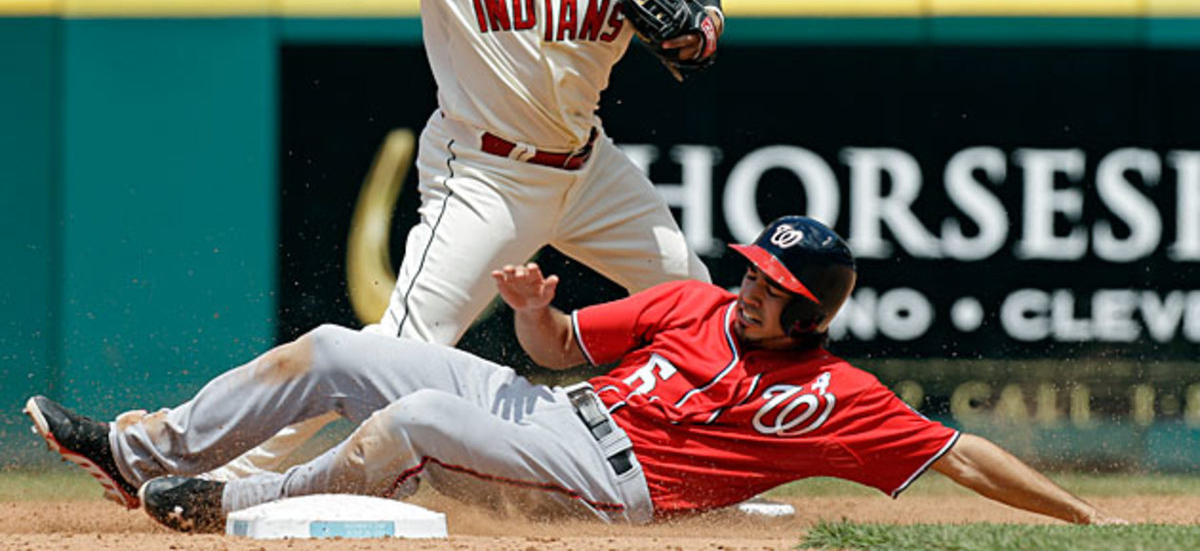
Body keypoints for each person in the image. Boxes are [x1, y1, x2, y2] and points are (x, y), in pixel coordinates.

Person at [201, 0, 724, 482]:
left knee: (706, 314)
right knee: (392, 350)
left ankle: (713, 473)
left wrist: (705, 18)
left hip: (591, 169)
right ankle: (220, 478)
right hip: (486, 175)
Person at [25, 216, 1126, 530]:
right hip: (555, 410)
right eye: (750, 269)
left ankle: (226, 506)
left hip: (617, 485)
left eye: (771, 284)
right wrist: (534, 315)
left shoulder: (836, 394)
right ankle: (143, 450)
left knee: (411, 416)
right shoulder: (691, 302)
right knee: (338, 344)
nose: (746, 288)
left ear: (812, 307)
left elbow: (960, 452)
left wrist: (1081, 516)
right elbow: (558, 357)